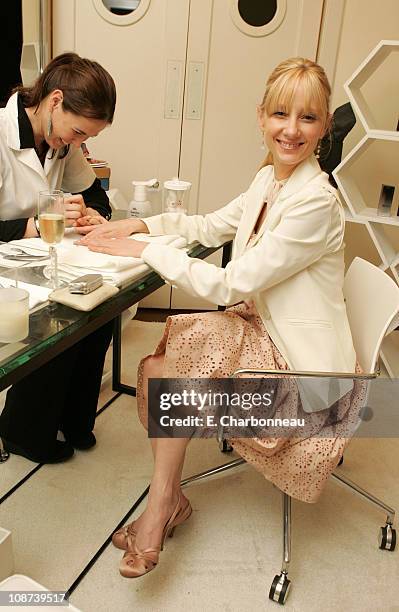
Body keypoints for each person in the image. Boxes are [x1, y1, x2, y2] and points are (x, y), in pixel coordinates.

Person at [77, 57, 359, 578]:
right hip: (267, 333)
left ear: (323, 128)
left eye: (308, 119)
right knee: (168, 370)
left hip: (303, 373)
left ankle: (162, 510)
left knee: (177, 367)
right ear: (261, 117)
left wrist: (143, 250)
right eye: (280, 114)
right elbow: (209, 226)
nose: (291, 130)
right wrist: (135, 224)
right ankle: (167, 503)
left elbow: (232, 283)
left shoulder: (315, 202)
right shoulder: (270, 181)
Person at [0, 52, 116, 463]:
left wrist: (92, 213)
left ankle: (73, 417)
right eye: (78, 132)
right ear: (54, 101)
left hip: (38, 259)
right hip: (7, 267)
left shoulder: (61, 144)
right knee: (62, 317)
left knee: (102, 308)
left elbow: (94, 193)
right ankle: (23, 431)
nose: (77, 144)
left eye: (87, 139)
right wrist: (34, 224)